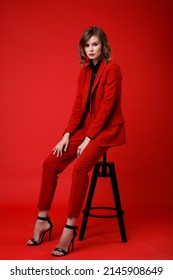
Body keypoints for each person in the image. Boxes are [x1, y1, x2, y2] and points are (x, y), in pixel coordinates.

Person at [27, 26, 126, 256]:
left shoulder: (113, 69)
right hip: (84, 130)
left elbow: (107, 107)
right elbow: (78, 107)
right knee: (49, 163)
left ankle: (70, 228)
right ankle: (42, 220)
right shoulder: (83, 72)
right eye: (87, 45)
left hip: (105, 130)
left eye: (95, 44)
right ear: (82, 47)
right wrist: (67, 134)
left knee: (80, 169)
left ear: (103, 46)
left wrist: (89, 138)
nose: (91, 49)